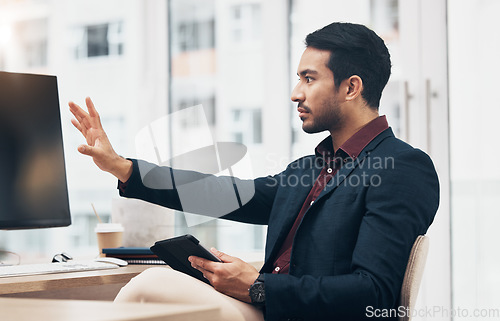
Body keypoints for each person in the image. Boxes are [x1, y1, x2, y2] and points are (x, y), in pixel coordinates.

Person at [69, 22, 439, 321]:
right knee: (152, 292)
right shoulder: (313, 167)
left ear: (351, 87)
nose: (296, 93)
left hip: (290, 311)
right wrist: (122, 167)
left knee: (148, 287)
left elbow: (374, 294)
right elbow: (222, 192)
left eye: (309, 79)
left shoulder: (402, 168)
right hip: (267, 306)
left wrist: (258, 287)